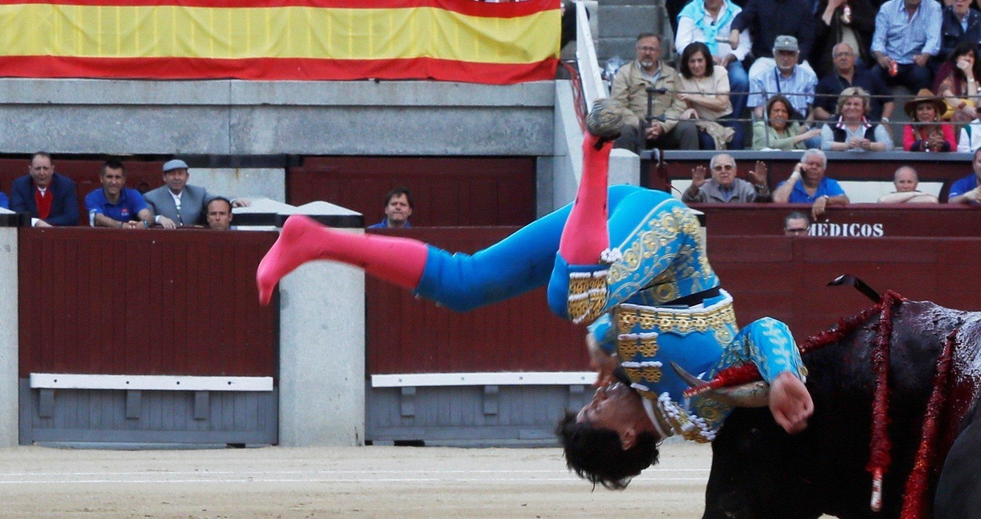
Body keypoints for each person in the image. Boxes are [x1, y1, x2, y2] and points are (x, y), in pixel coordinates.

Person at [258, 105, 814, 479]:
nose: (595, 398)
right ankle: (595, 150)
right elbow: (766, 330)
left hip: (608, 241)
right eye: (595, 411)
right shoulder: (705, 413)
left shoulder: (639, 379)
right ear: (626, 439)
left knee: (463, 285)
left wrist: (604, 336)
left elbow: (627, 327)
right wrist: (784, 375)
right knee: (573, 300)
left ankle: (317, 240)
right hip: (669, 234)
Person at [609, 33, 698, 152]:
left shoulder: (671, 73)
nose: (647, 53)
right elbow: (618, 106)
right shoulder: (624, 73)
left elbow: (680, 104)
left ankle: (689, 169)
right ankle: (624, 169)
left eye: (652, 49)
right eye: (644, 48)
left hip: (665, 128)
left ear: (659, 51)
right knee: (623, 130)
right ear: (637, 50)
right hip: (636, 128)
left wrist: (662, 125)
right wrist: (641, 125)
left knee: (688, 128)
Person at [675, 0, 750, 106]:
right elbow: (681, 44)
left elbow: (745, 45)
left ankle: (732, 119)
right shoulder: (690, 11)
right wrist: (707, 57)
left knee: (741, 80)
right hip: (697, 62)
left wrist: (731, 57)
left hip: (729, 62)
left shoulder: (736, 12)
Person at [734, 0, 814, 72]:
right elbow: (743, 17)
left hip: (794, 58)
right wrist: (735, 30)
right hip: (766, 59)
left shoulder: (802, 5)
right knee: (754, 76)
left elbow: (808, 39)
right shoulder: (757, 1)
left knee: (810, 77)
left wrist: (797, 58)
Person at [871, 0, 942, 92]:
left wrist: (924, 55)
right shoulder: (887, 8)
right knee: (874, 74)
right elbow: (878, 40)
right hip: (891, 60)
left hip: (915, 61)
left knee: (923, 75)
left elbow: (934, 38)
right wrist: (881, 57)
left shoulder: (933, 8)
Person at [677, 41, 739, 149]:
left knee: (737, 139)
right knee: (708, 142)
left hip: (725, 118)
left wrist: (691, 97)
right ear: (686, 63)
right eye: (692, 61)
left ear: (706, 60)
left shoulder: (720, 72)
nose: (696, 65)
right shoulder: (680, 79)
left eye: (700, 60)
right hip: (701, 122)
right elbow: (687, 107)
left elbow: (722, 104)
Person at [812, 42, 886, 121]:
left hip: (870, 127)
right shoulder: (825, 82)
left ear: (854, 58)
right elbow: (817, 110)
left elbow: (889, 101)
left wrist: (885, 120)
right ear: (834, 60)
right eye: (839, 55)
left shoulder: (870, 76)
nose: (843, 57)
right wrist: (834, 120)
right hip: (839, 129)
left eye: (846, 54)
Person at [748, 34, 818, 115]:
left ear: (797, 55)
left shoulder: (809, 78)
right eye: (781, 53)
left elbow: (812, 112)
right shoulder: (759, 79)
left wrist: (805, 127)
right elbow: (758, 111)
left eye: (790, 54)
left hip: (800, 125)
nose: (785, 58)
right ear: (774, 54)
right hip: (770, 125)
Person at [8, 153, 80, 228]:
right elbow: (18, 214)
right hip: (28, 233)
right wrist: (36, 222)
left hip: (58, 234)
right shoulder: (20, 185)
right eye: (38, 169)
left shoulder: (66, 185)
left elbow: (72, 217)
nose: (42, 173)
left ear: (52, 169)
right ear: (30, 170)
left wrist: (42, 223)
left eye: (45, 168)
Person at [773, 147, 849, 217]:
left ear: (823, 170)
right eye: (810, 164)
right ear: (802, 165)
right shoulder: (789, 184)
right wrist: (795, 174)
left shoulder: (830, 184)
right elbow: (779, 200)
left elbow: (845, 200)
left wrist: (826, 200)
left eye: (818, 165)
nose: (814, 167)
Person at [85, 158, 155, 229]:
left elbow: (147, 216)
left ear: (123, 180)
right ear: (101, 179)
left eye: (117, 177)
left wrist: (143, 224)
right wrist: (123, 226)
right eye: (109, 177)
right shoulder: (92, 197)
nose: (113, 182)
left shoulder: (133, 195)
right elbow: (98, 219)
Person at [145, 159, 214, 227]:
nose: (177, 178)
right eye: (172, 174)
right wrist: (158, 218)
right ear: (164, 177)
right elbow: (145, 219)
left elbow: (218, 201)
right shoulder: (151, 197)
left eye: (180, 174)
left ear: (187, 177)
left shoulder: (199, 193)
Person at [684, 154, 770, 202]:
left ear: (735, 171)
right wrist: (694, 188)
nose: (723, 171)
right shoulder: (705, 188)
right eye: (718, 168)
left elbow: (762, 204)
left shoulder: (745, 187)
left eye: (728, 167)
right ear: (712, 173)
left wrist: (762, 184)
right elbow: (686, 204)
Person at [753, 92, 828, 148]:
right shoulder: (760, 126)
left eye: (784, 111)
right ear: (768, 113)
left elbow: (801, 149)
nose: (780, 114)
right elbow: (772, 145)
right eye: (776, 110)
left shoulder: (793, 126)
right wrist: (803, 136)